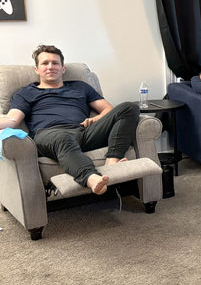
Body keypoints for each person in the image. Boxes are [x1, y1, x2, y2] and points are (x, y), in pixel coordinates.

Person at [1, 45, 139, 195]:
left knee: (129, 107)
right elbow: (11, 120)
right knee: (62, 137)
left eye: (55, 63)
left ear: (63, 68)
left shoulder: (80, 87)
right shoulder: (26, 92)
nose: (50, 67)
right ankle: (91, 178)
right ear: (37, 69)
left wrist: (95, 119)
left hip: (83, 132)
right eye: (45, 63)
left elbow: (108, 109)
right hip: (49, 135)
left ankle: (112, 161)